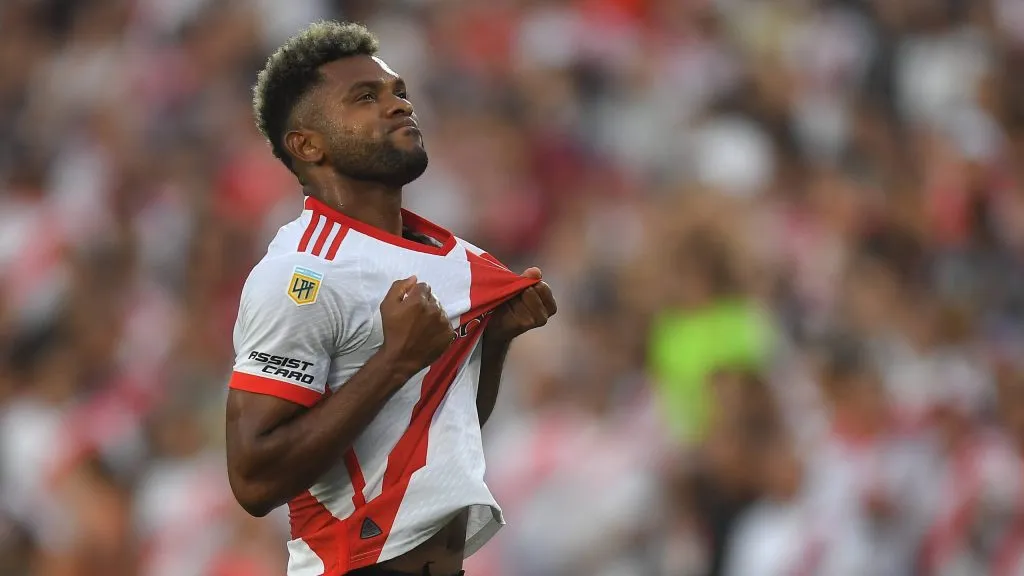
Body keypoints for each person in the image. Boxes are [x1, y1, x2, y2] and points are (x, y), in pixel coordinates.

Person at [223, 21, 557, 576]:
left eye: (398, 91)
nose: (399, 105)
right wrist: (395, 360)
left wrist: (492, 345)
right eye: (365, 98)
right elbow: (254, 479)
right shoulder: (302, 272)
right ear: (307, 144)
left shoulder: (449, 259)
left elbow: (429, 430)